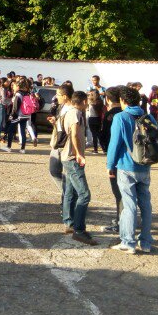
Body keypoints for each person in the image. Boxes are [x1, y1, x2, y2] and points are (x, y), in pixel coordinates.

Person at [107, 86, 156, 254]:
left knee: (129, 205)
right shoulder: (148, 117)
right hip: (145, 165)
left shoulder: (120, 117)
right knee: (146, 205)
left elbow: (114, 144)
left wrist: (110, 165)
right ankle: (146, 242)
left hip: (126, 166)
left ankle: (128, 242)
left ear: (123, 101)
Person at [58, 89, 97, 245]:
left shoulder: (73, 112)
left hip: (69, 157)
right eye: (86, 101)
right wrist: (79, 154)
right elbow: (74, 134)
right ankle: (79, 230)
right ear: (83, 102)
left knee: (71, 191)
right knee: (84, 194)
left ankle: (70, 223)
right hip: (72, 158)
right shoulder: (74, 113)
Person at [99, 87, 123, 234]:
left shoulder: (111, 115)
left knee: (118, 192)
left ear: (107, 99)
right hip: (133, 158)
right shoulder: (130, 113)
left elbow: (105, 138)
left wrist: (108, 156)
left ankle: (121, 224)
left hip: (117, 158)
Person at [3, 79, 30, 154]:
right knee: (22, 132)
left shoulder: (18, 94)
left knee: (11, 130)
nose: (14, 87)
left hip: (18, 116)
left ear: (18, 86)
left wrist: (11, 116)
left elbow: (15, 107)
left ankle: (8, 147)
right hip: (26, 115)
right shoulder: (27, 93)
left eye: (15, 86)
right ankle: (23, 149)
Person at [0, 79, 11, 144]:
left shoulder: (2, 88)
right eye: (7, 81)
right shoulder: (2, 89)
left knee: (1, 122)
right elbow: (3, 99)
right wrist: (11, 100)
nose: (9, 83)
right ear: (3, 82)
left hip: (0, 106)